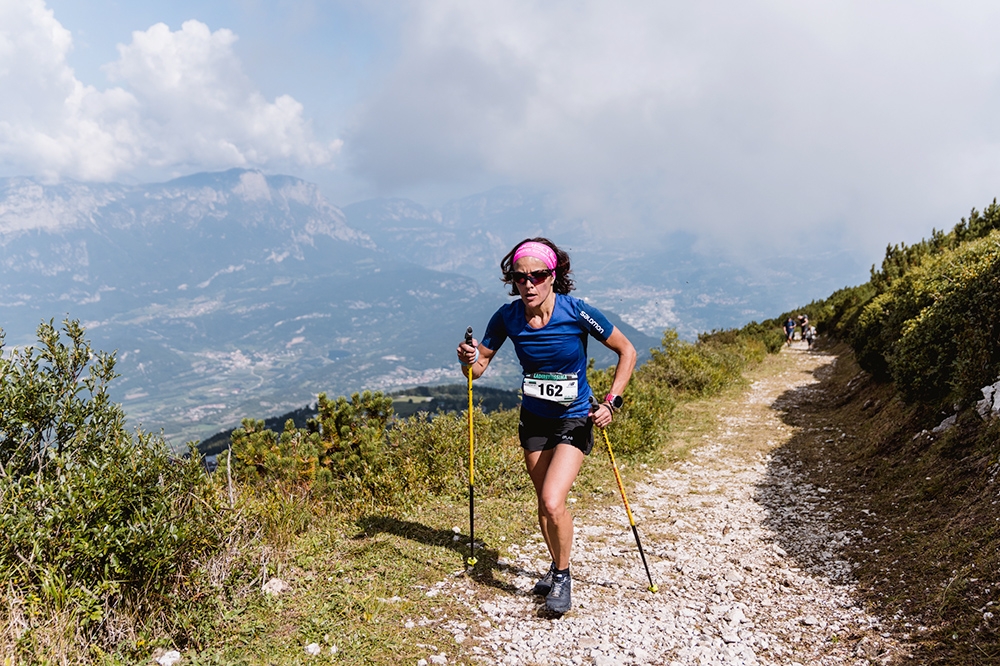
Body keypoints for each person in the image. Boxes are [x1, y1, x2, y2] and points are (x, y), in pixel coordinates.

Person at [456, 238, 636, 614]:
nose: (529, 284)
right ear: (513, 281)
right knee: (544, 502)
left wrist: (612, 403)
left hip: (575, 418)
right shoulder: (507, 317)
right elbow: (478, 369)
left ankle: (563, 577)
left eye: (538, 275)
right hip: (534, 419)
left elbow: (627, 350)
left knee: (554, 501)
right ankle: (556, 567)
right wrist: (467, 358)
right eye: (521, 277)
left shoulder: (577, 312)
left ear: (554, 276)